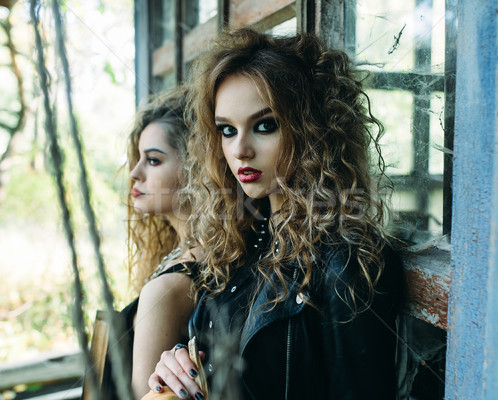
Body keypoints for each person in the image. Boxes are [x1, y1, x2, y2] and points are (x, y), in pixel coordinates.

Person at [148, 28, 404, 400]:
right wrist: (176, 366)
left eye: (265, 125)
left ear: (312, 131)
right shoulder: (238, 245)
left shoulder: (345, 262)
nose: (240, 150)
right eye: (227, 130)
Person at [100, 86, 199, 400]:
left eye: (153, 160)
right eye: (138, 159)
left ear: (196, 171)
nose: (134, 173)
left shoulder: (168, 288)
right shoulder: (194, 255)